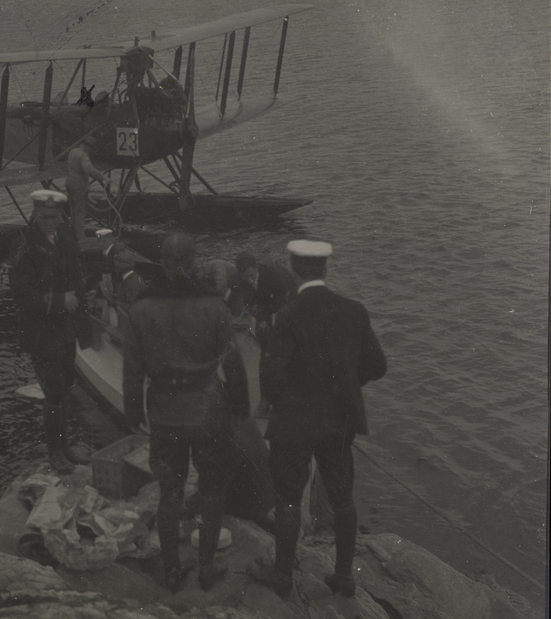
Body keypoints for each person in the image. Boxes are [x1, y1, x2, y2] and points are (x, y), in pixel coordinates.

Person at [254, 240, 387, 599]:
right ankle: (344, 577)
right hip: (339, 420)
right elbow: (378, 366)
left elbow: (272, 378)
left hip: (295, 423)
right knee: (343, 497)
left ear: (294, 270)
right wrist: (344, 384)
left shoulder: (289, 314)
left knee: (288, 498)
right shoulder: (354, 310)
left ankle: (283, 576)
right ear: (325, 270)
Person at [123, 234, 250, 593]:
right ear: (195, 263)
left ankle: (171, 570)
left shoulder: (140, 309)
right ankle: (207, 568)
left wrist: (133, 411)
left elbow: (132, 371)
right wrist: (240, 408)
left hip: (164, 412)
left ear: (161, 263)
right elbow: (235, 368)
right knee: (211, 492)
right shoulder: (214, 308)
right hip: (210, 409)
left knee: (170, 492)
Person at [7, 188, 92, 475]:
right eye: (43, 216)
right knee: (53, 391)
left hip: (66, 328)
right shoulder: (23, 245)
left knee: (66, 386)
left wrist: (83, 316)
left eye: (53, 216)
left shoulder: (66, 236)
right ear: (34, 214)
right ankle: (55, 452)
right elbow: (21, 294)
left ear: (60, 215)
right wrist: (58, 301)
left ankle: (65, 446)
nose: (48, 222)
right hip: (41, 332)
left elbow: (77, 275)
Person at [65, 135, 109, 241]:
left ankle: (74, 234)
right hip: (78, 186)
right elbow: (89, 169)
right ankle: (80, 238)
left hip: (70, 183)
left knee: (74, 210)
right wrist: (103, 177)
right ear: (88, 147)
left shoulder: (73, 152)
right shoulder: (83, 156)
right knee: (80, 212)